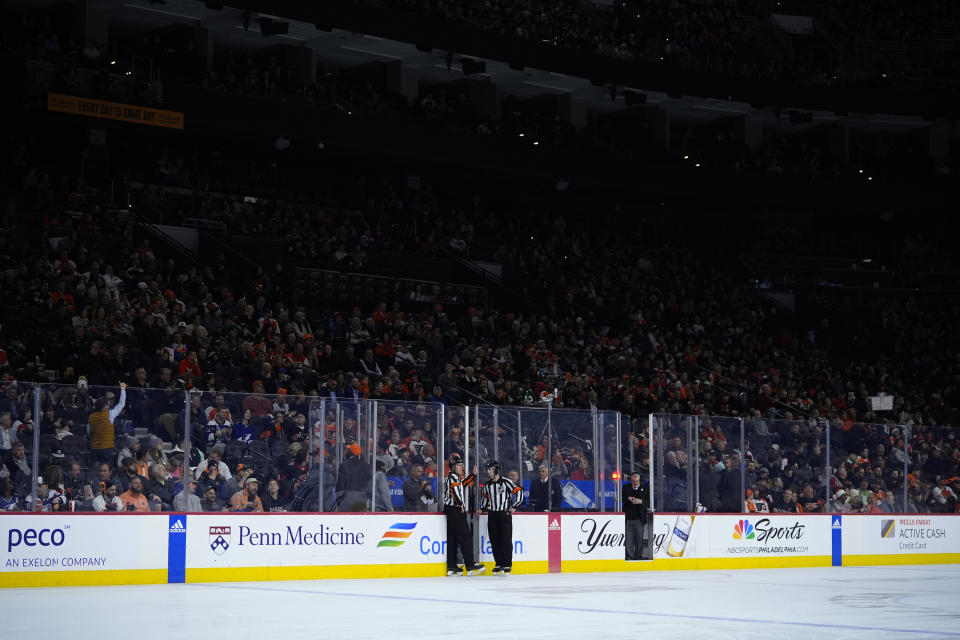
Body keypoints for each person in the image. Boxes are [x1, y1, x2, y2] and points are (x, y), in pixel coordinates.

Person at [443, 454, 484, 576]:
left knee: (453, 538)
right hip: (455, 509)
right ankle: (470, 566)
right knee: (465, 536)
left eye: (461, 465)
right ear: (453, 467)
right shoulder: (452, 478)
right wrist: (460, 503)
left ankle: (452, 566)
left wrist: (473, 475)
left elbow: (463, 484)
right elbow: (455, 491)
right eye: (459, 465)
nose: (461, 467)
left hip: (451, 509)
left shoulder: (455, 478)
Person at [480, 459, 523, 575]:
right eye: (487, 469)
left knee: (506, 540)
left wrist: (514, 506)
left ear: (496, 470)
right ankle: (499, 563)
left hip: (504, 514)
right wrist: (482, 508)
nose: (488, 471)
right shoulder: (487, 485)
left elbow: (519, 492)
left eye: (490, 469)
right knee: (494, 540)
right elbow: (485, 498)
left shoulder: (506, 482)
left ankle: (507, 564)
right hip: (492, 515)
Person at [88, 383, 127, 464]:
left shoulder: (91, 417)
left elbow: (88, 431)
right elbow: (121, 404)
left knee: (95, 470)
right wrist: (123, 389)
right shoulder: (110, 414)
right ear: (104, 406)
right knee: (106, 470)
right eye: (107, 403)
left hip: (94, 448)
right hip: (106, 449)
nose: (109, 404)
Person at [336, 443, 372, 511]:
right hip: (362, 500)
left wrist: (337, 501)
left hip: (347, 499)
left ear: (350, 452)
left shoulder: (343, 466)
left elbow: (340, 485)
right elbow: (369, 484)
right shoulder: (366, 466)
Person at [623, 472, 650, 560]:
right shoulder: (626, 487)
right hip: (628, 517)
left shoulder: (645, 489)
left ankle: (638, 556)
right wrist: (628, 498)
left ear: (639, 480)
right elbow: (621, 498)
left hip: (639, 518)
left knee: (639, 539)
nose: (634, 482)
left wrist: (641, 501)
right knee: (629, 539)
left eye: (636, 481)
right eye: (633, 480)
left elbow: (649, 502)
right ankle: (630, 556)